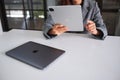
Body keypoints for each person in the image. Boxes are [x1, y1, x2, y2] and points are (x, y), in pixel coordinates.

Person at [43, 0, 108, 40]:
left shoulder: (93, 5)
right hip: (64, 40)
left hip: (86, 42)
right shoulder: (60, 4)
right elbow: (47, 24)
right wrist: (52, 31)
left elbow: (102, 27)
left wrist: (95, 31)